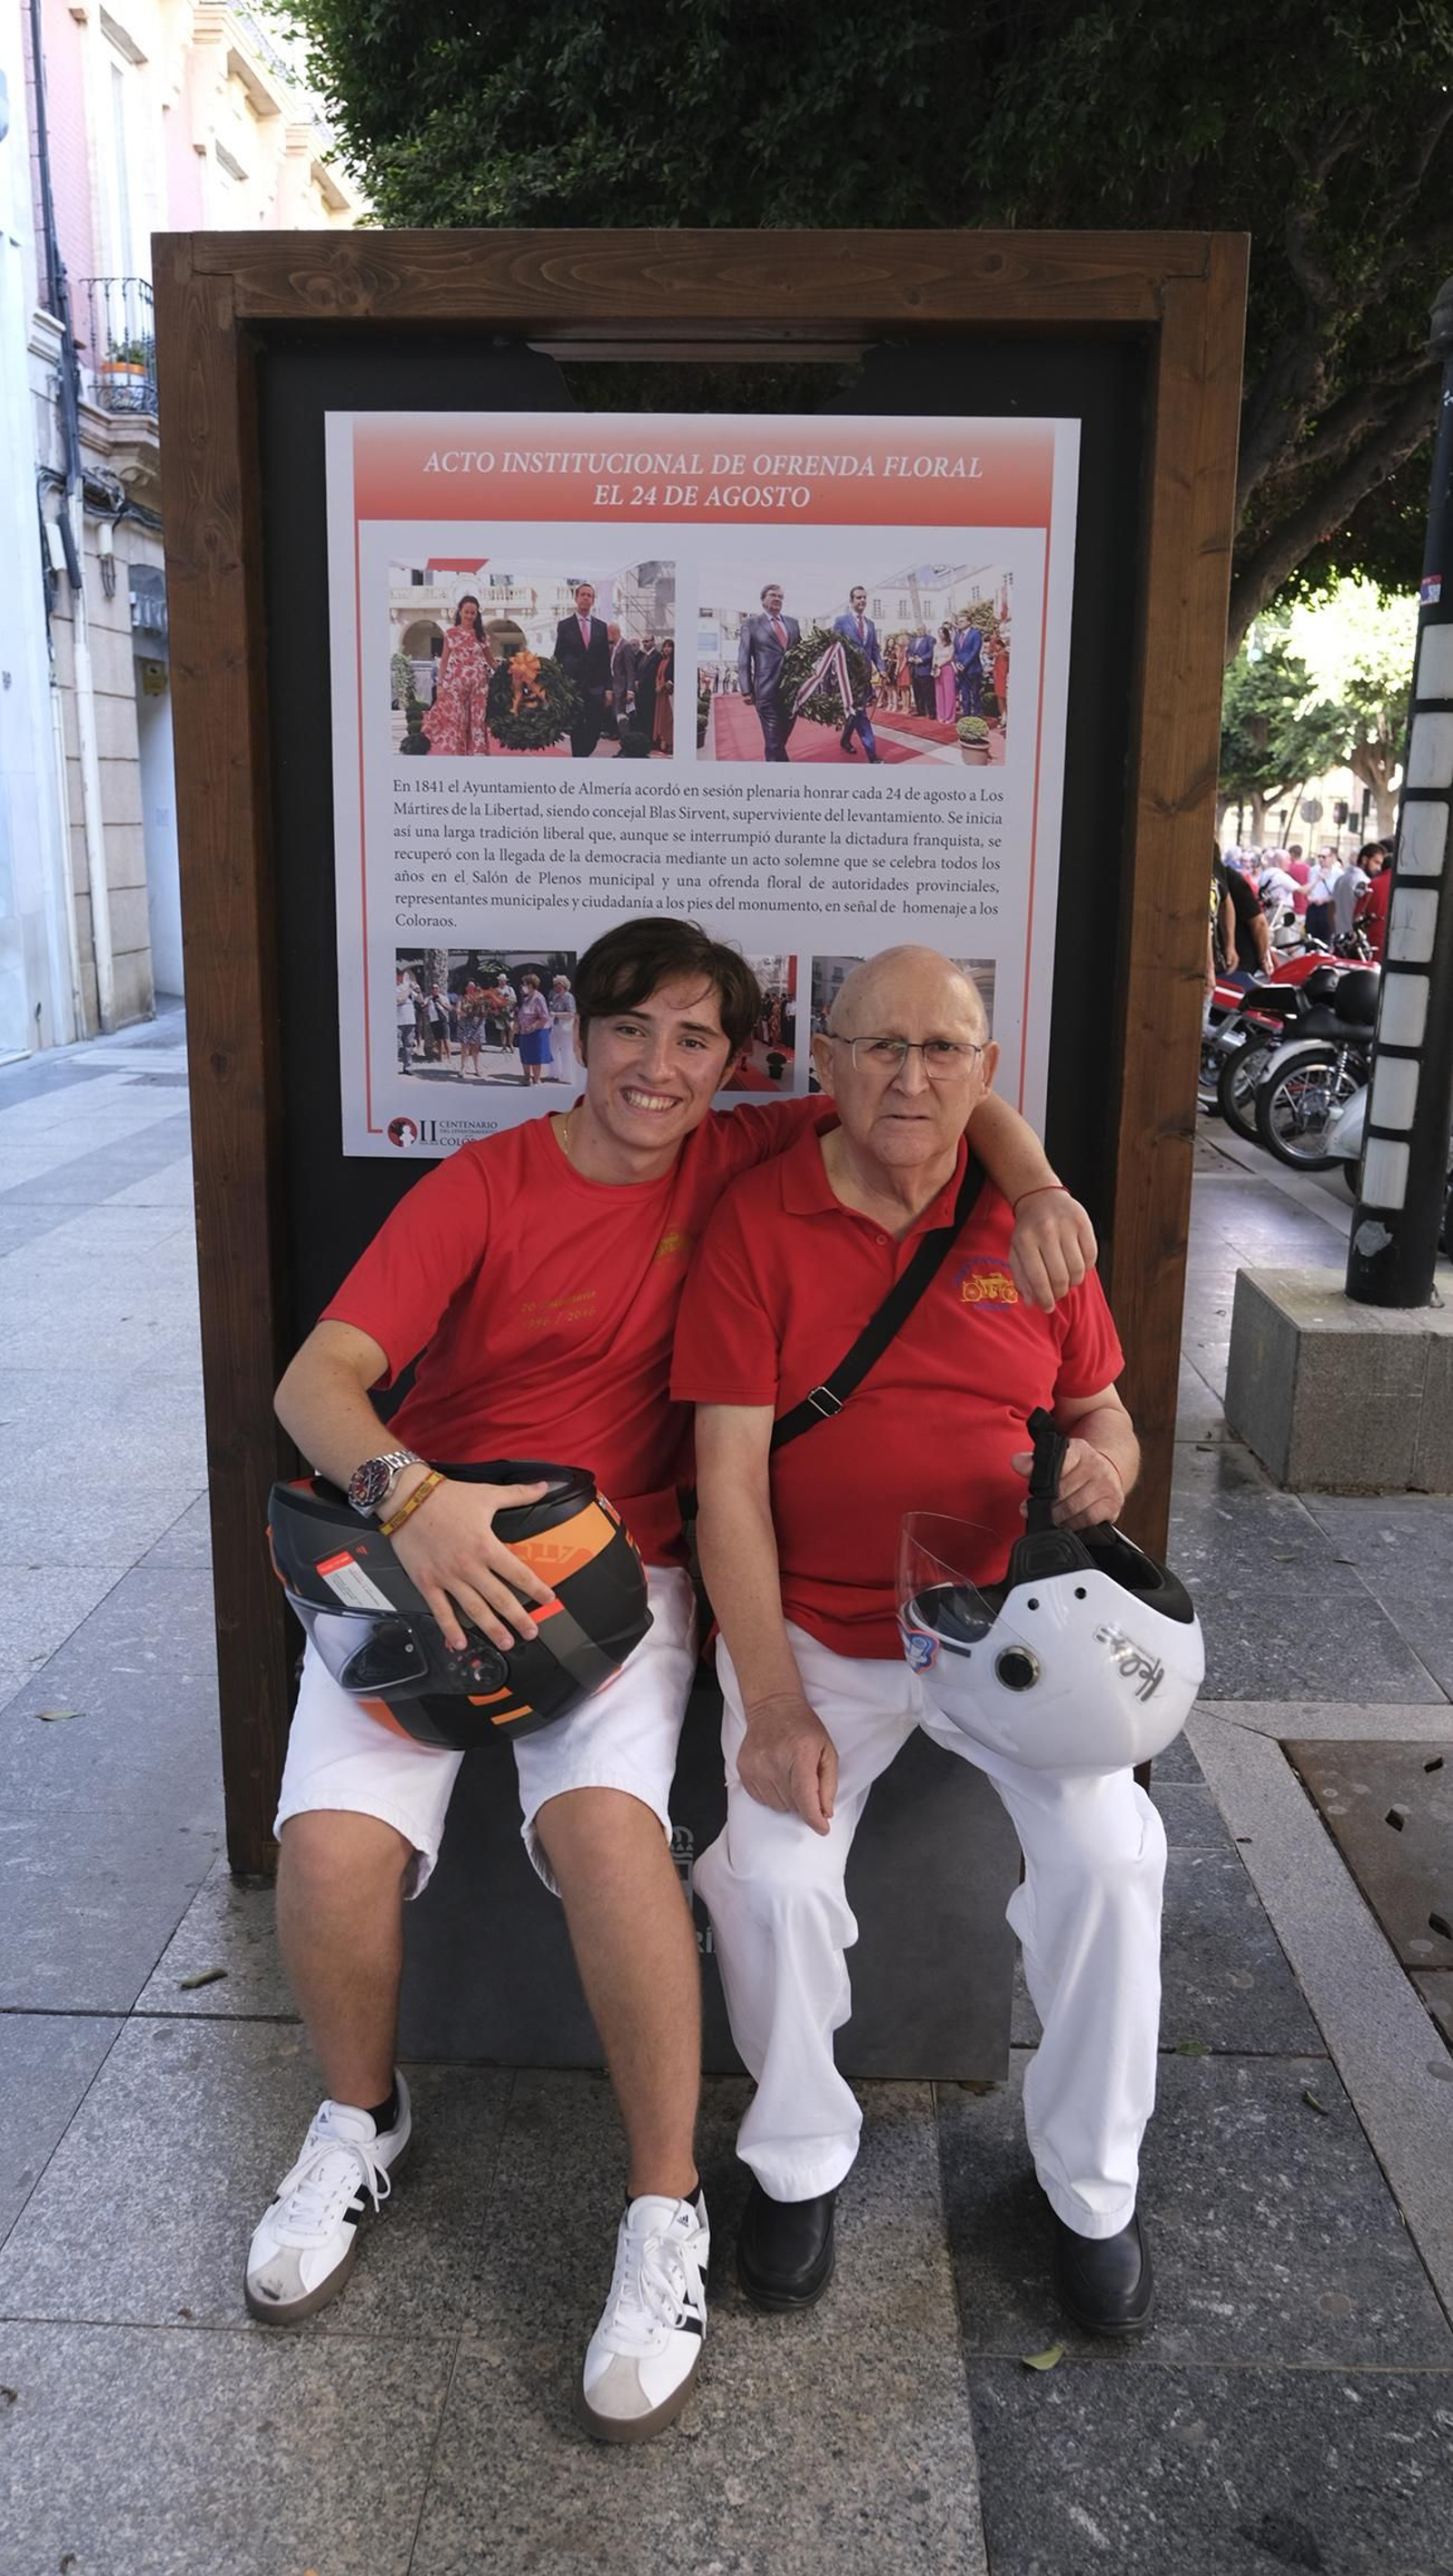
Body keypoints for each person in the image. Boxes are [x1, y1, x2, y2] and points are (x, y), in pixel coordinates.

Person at [245, 916, 1098, 2442]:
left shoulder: (744, 1146)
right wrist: (411, 1497)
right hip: (429, 1536)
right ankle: (359, 2119)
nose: (660, 1066)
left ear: (742, 1061)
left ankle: (664, 2207)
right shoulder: (485, 1182)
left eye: (696, 1038)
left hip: (617, 1565)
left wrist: (1031, 1183)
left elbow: (944, 1078)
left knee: (611, 1839)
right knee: (327, 1845)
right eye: (633, 1029)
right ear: (581, 1034)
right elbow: (316, 1379)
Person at [673, 947, 1159, 2342]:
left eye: (944, 1049)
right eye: (880, 1046)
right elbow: (728, 1491)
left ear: (986, 1073)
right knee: (766, 1874)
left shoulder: (1033, 1229)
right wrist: (770, 1701)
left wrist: (1105, 1466)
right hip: (818, 1630)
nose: (912, 1075)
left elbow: (1107, 1413)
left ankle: (1089, 2184)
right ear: (822, 1066)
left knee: (1115, 1860)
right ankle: (798, 2153)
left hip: (1010, 1630)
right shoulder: (758, 1229)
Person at [421, 596, 495, 756]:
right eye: (466, 612)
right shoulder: (451, 634)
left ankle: (478, 753)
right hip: (457, 685)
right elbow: (444, 662)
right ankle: (460, 754)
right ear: (460, 612)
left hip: (479, 686)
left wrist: (509, 672)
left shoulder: (482, 636)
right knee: (459, 720)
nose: (469, 616)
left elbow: (491, 661)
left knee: (478, 719)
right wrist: (440, 685)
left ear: (477, 615)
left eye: (473, 613)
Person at [737, 585, 799, 763]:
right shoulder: (751, 624)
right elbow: (744, 658)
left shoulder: (793, 624)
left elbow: (801, 654)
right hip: (765, 692)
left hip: (790, 693)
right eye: (773, 595)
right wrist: (746, 689)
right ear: (763, 599)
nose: (778, 599)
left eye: (781, 596)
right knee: (773, 741)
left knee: (780, 739)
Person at [554, 581, 615, 758]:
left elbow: (605, 660)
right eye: (583, 594)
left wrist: (609, 688)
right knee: (577, 728)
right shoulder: (565, 626)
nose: (586, 598)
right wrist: (557, 685)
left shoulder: (601, 627)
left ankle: (582, 755)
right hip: (573, 688)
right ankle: (579, 759)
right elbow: (558, 656)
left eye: (590, 595)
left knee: (595, 729)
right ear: (576, 598)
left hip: (596, 687)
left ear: (593, 600)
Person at [831, 587, 885, 764]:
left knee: (854, 713)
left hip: (865, 677)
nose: (862, 601)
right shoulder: (841, 621)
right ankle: (873, 757)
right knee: (860, 714)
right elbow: (833, 647)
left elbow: (874, 649)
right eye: (858, 598)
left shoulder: (870, 624)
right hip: (848, 677)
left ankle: (845, 739)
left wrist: (882, 668)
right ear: (851, 601)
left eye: (864, 598)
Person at [1214, 852, 1271, 982]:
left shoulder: (1229, 879)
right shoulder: (1230, 877)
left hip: (1235, 965)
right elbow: (1259, 923)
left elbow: (1259, 923)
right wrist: (1263, 960)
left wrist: (1263, 959)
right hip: (1236, 965)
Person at [515, 972, 552, 1085]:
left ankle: (536, 1079)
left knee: (535, 1057)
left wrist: (532, 1027)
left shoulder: (539, 997)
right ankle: (527, 1078)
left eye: (525, 984)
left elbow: (544, 1016)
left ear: (531, 985)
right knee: (525, 1056)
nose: (523, 986)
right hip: (524, 1032)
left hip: (536, 1032)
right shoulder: (526, 998)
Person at [1332, 845, 1376, 943]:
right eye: (1376, 862)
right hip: (1354, 938)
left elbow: (1332, 907)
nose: (1378, 868)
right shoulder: (1364, 881)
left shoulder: (1341, 879)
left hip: (1340, 935)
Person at [548, 972, 580, 1086]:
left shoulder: (569, 997)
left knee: (566, 1051)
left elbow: (571, 1013)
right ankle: (555, 1073)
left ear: (564, 985)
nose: (556, 987)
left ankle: (568, 1076)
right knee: (553, 1049)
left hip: (566, 1027)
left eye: (559, 984)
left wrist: (556, 1014)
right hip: (555, 1026)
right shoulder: (555, 997)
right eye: (555, 984)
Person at [1304, 848, 1339, 945]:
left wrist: (1325, 899)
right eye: (1319, 857)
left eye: (1324, 857)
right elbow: (1309, 887)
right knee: (1310, 937)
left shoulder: (1338, 873)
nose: (1321, 859)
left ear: (1332, 858)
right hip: (1313, 906)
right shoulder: (1313, 870)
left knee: (1326, 938)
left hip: (1328, 908)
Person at [953, 614, 984, 719]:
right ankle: (966, 714)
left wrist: (965, 664)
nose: (959, 623)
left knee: (975, 693)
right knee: (964, 693)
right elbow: (956, 652)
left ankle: (977, 715)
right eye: (959, 621)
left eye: (962, 621)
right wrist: (957, 663)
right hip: (961, 669)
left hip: (973, 668)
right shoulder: (957, 636)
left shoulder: (975, 634)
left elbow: (975, 651)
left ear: (968, 622)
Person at [611, 627, 640, 729]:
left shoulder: (626, 646)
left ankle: (627, 740)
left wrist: (630, 691)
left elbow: (630, 670)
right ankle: (623, 738)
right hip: (615, 687)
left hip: (623, 688)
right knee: (617, 716)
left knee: (623, 717)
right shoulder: (615, 647)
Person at [456, 981, 486, 1079]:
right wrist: (461, 1013)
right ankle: (463, 1068)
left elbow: (484, 1012)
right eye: (470, 986)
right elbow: (458, 1010)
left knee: (476, 1048)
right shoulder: (462, 998)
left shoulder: (480, 998)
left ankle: (477, 1068)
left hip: (476, 1025)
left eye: (473, 986)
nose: (472, 988)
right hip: (465, 1025)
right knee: (465, 1048)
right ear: (466, 988)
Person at [395, 966, 421, 1074]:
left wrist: (418, 991)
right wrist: (409, 989)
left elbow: (421, 1000)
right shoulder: (396, 987)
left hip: (410, 1021)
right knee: (395, 1046)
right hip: (397, 1021)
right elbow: (399, 999)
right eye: (403, 975)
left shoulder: (408, 988)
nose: (406, 977)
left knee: (409, 1046)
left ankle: (408, 1067)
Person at [651, 638, 675, 755]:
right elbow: (658, 676)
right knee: (660, 718)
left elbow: (671, 679)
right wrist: (657, 686)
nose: (666, 649)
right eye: (665, 646)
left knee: (668, 718)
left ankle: (669, 742)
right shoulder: (662, 661)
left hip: (668, 693)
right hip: (660, 694)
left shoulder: (674, 662)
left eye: (669, 646)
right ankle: (661, 741)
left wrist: (662, 687)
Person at [932, 622, 957, 724]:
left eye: (942, 633)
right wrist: (934, 668)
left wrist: (940, 665)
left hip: (947, 668)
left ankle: (950, 716)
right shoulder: (936, 645)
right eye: (939, 633)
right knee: (939, 693)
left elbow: (950, 657)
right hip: (937, 669)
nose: (940, 635)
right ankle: (941, 715)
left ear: (946, 634)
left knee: (949, 693)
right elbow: (934, 658)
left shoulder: (950, 645)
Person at [907, 624, 934, 716]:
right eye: (918, 629)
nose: (919, 631)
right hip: (914, 670)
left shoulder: (930, 640)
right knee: (917, 691)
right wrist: (910, 658)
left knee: (928, 692)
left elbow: (932, 652)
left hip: (925, 669)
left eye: (921, 629)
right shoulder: (913, 640)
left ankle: (931, 712)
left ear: (925, 630)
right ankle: (920, 710)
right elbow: (908, 652)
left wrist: (921, 659)